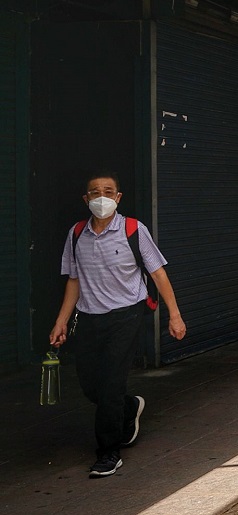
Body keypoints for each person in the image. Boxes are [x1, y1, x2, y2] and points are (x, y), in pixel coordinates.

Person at [49, 172, 187, 477]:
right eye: (94, 192)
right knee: (90, 386)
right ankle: (128, 407)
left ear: (118, 197)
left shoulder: (133, 230)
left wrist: (174, 315)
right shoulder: (76, 234)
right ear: (86, 199)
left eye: (108, 192)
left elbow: (158, 274)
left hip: (125, 316)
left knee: (110, 384)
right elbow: (73, 281)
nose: (101, 197)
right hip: (88, 318)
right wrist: (60, 322)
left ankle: (108, 453)